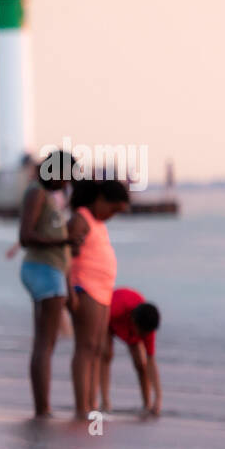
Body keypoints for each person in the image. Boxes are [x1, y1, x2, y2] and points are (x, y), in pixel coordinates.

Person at [67, 177, 131, 420]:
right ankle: (82, 406)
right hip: (85, 288)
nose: (112, 215)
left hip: (102, 290)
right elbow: (67, 256)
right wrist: (70, 292)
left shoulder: (97, 222)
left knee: (97, 348)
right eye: (113, 209)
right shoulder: (81, 217)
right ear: (100, 199)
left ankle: (91, 402)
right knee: (85, 347)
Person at [17, 156, 73, 418]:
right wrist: (63, 241)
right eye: (65, 175)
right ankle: (42, 408)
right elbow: (25, 236)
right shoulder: (37, 192)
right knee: (44, 344)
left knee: (46, 342)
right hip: (44, 269)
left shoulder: (42, 193)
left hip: (48, 269)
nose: (66, 182)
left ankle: (43, 406)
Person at [100, 288, 161, 417]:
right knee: (106, 355)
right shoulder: (117, 308)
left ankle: (147, 404)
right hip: (107, 321)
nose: (145, 336)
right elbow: (99, 318)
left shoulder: (147, 326)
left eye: (146, 334)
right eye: (143, 333)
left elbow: (151, 362)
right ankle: (105, 402)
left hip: (131, 329)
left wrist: (159, 398)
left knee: (141, 364)